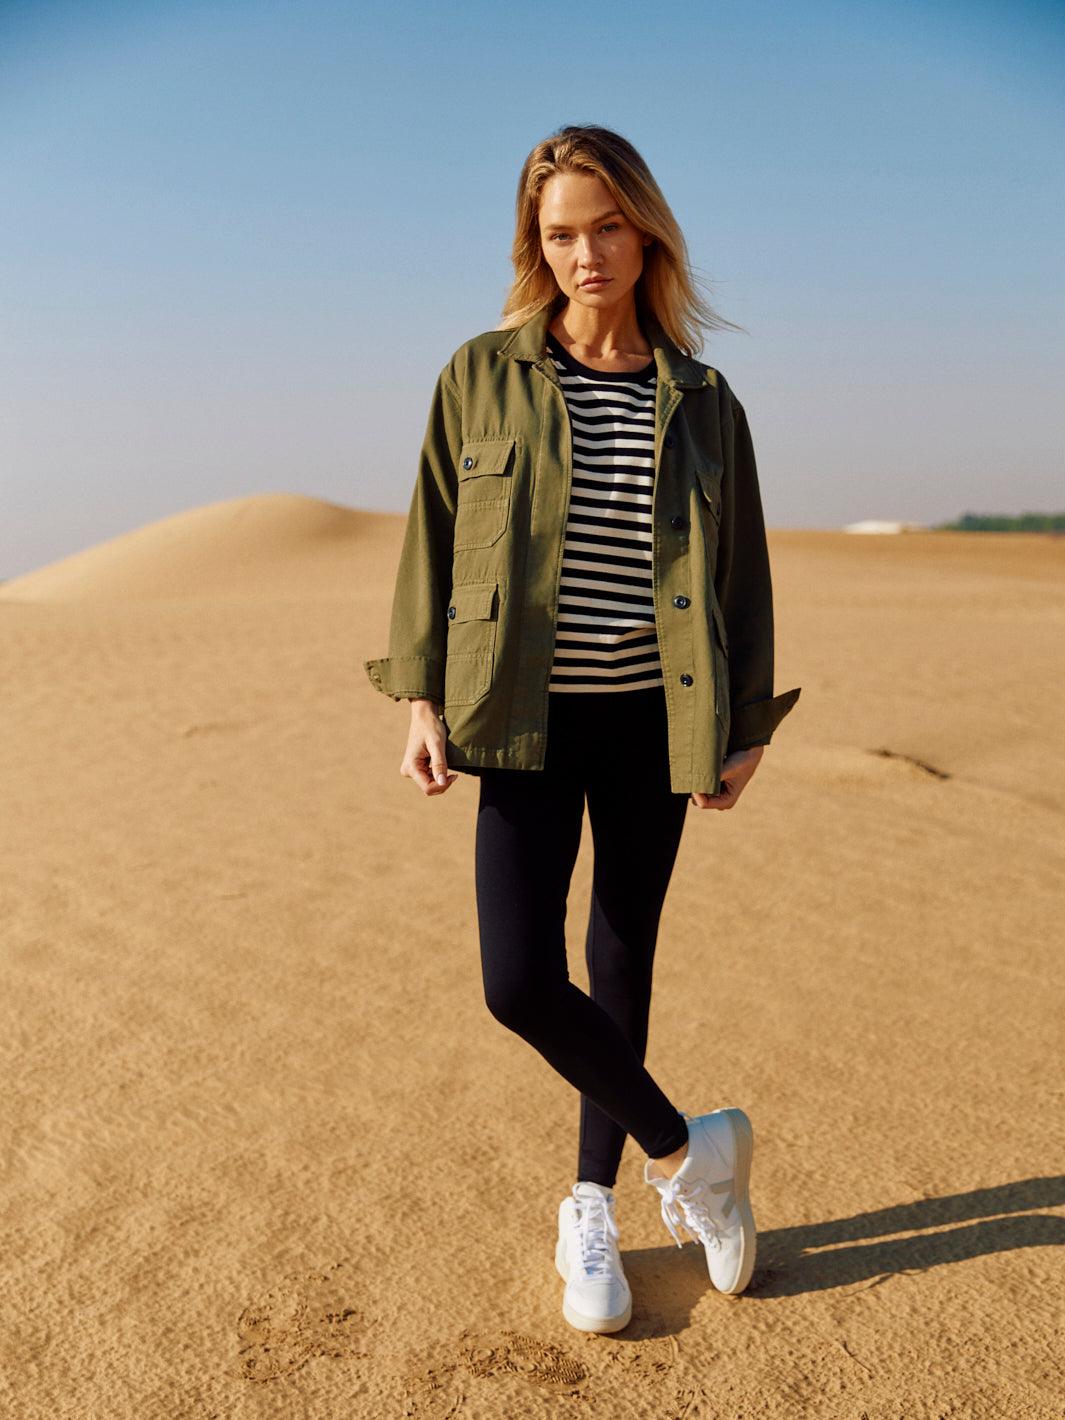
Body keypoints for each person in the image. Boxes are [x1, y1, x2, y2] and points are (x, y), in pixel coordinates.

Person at [364, 124, 801, 1334]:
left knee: (620, 960)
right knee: (517, 979)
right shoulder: (482, 374)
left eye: (608, 226)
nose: (586, 253)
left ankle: (592, 1204)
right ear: (536, 244)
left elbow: (743, 574)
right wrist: (419, 699)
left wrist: (748, 724)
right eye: (561, 233)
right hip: (521, 717)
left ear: (646, 233)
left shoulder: (702, 399)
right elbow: (432, 539)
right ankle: (693, 1149)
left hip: (656, 718)